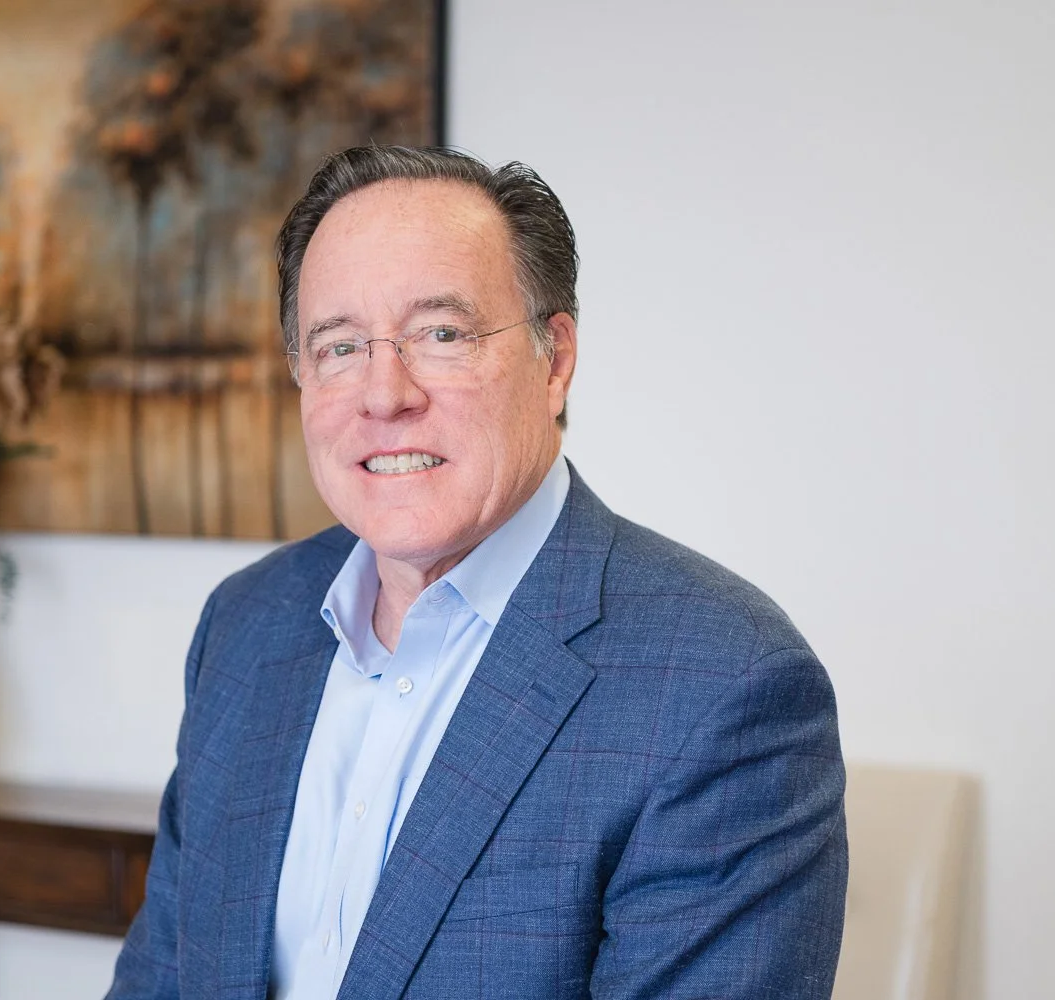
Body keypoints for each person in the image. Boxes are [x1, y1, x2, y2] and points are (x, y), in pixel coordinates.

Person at [107, 145, 847, 1000]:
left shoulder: (726, 686)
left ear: (554, 359)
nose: (384, 394)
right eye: (339, 347)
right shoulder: (245, 627)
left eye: (441, 334)